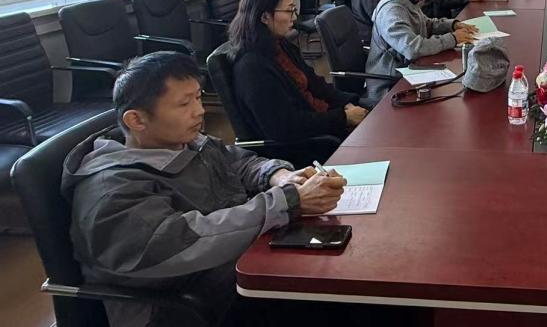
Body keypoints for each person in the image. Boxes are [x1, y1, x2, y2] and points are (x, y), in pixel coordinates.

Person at [63, 52, 347, 327]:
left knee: (332, 269)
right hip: (180, 306)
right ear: (137, 120)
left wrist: (280, 177)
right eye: (184, 103)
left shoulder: (185, 142)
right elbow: (180, 242)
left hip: (232, 270)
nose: (199, 111)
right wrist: (285, 202)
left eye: (198, 97)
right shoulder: (111, 188)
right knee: (331, 296)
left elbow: (239, 162)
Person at [230, 0, 368, 148]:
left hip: (323, 122)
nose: (294, 18)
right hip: (308, 145)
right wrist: (343, 117)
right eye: (289, 11)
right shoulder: (252, 68)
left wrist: (347, 103)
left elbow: (316, 83)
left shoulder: (280, 45)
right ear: (265, 17)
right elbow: (286, 125)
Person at [367, 0, 478, 103]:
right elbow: (412, 48)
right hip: (391, 84)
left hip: (412, 71)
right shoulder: (392, 9)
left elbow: (426, 24)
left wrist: (453, 24)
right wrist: (452, 39)